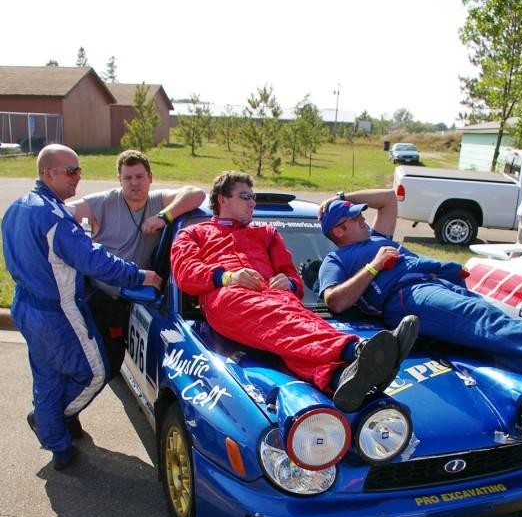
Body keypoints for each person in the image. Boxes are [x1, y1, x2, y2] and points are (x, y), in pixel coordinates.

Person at [170, 171, 419, 413]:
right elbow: (185, 272)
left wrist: (289, 283)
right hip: (228, 298)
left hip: (272, 297)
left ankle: (339, 377)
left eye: (253, 197)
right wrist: (228, 277)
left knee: (293, 320)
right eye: (245, 196)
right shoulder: (193, 233)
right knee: (276, 316)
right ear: (222, 199)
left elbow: (293, 278)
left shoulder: (266, 233)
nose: (252, 202)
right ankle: (356, 350)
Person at [2, 144, 161, 470]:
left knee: (47, 376)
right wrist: (139, 275)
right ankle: (50, 422)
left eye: (79, 170)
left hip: (25, 306)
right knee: (96, 371)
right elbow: (93, 261)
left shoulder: (17, 207)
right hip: (57, 310)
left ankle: (59, 446)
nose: (77, 177)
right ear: (48, 173)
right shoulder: (55, 217)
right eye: (70, 171)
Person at [317, 190, 522, 390]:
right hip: (406, 295)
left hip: (434, 282)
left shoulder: (376, 237)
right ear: (339, 231)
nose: (362, 219)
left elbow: (388, 198)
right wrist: (374, 266)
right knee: (479, 316)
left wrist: (341, 198)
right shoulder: (336, 260)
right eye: (354, 217)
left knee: (479, 341)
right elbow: (335, 301)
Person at [67, 150, 205, 376]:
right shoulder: (104, 202)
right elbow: (65, 212)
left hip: (133, 297)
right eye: (127, 178)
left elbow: (196, 193)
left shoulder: (157, 201)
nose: (134, 183)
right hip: (101, 298)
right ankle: (55, 408)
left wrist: (163, 217)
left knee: (106, 366)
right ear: (119, 181)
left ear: (150, 178)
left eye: (139, 177)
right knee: (95, 366)